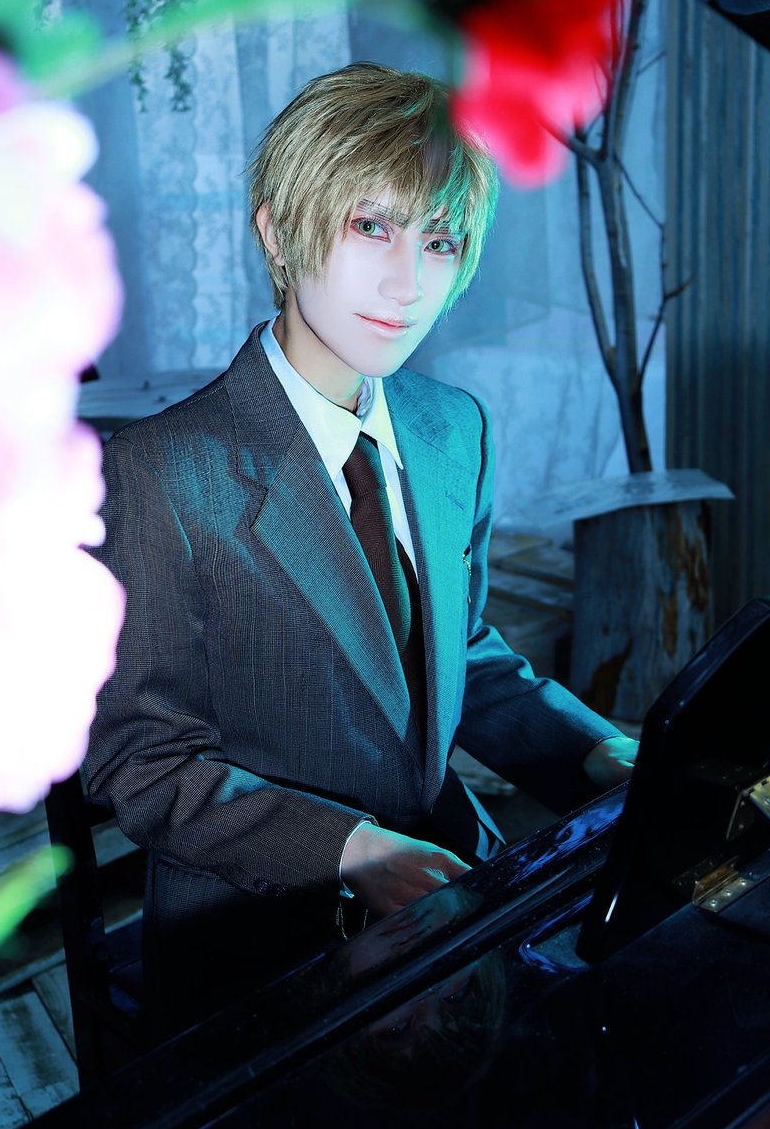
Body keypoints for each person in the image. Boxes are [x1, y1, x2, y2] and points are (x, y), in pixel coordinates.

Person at [87, 62, 636, 1034]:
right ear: (276, 232)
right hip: (261, 945)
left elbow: (462, 657)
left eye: (439, 241)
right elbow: (143, 761)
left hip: (455, 886)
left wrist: (599, 752)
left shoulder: (452, 428)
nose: (407, 283)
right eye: (370, 227)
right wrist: (349, 850)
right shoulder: (160, 474)